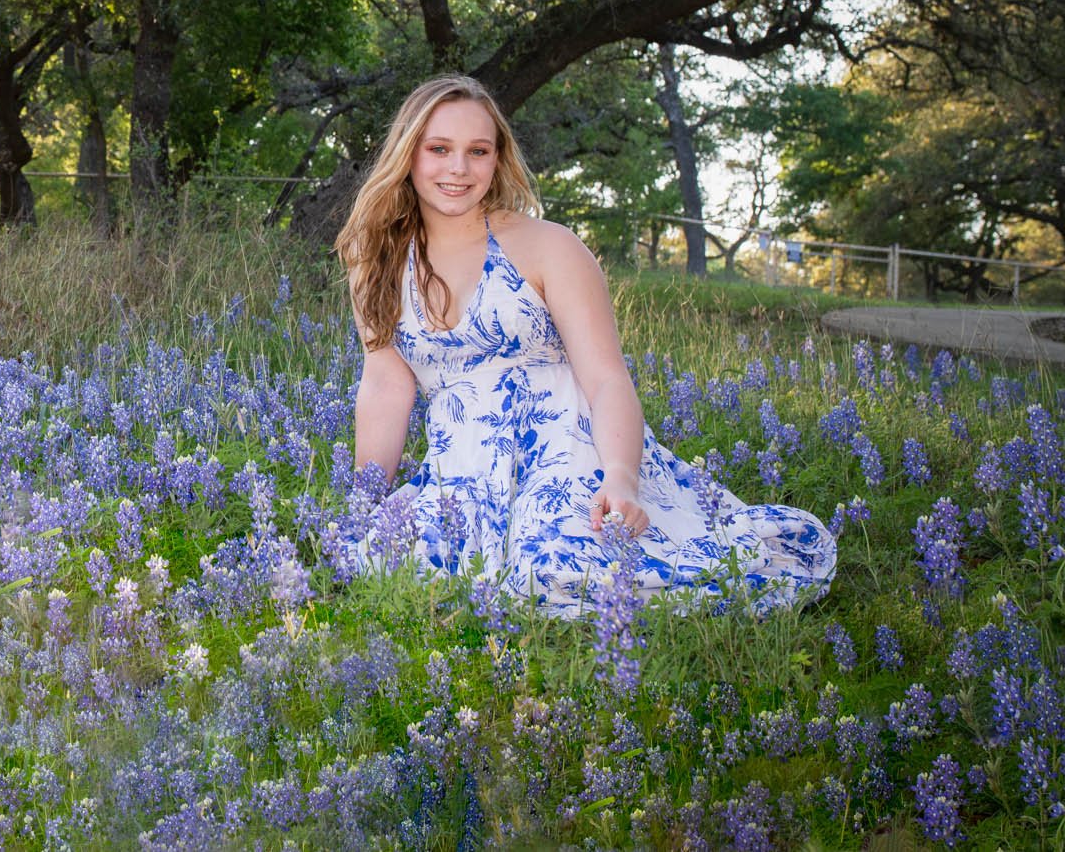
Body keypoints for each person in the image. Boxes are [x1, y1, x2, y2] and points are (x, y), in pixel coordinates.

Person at [336, 74, 835, 614]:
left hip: (569, 456)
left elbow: (605, 378)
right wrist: (368, 502)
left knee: (554, 577)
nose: (459, 169)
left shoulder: (548, 246)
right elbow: (385, 386)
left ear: (498, 159)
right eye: (440, 149)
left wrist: (621, 477)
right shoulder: (378, 260)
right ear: (409, 153)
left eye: (477, 151)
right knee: (377, 564)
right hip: (464, 474)